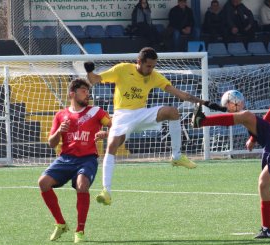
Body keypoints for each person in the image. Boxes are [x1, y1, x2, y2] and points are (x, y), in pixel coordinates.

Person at [84, 47, 223, 206]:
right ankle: (106, 191)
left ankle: (176, 156)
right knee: (112, 146)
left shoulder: (154, 76)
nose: (151, 69)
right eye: (149, 66)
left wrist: (205, 103)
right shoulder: (122, 69)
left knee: (173, 112)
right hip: (122, 115)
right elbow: (95, 79)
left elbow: (179, 94)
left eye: (153, 66)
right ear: (139, 62)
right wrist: (89, 72)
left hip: (142, 113)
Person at [191, 66, 270, 238]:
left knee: (263, 184)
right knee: (247, 115)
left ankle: (267, 230)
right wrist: (253, 137)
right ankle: (201, 121)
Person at [38, 78, 111, 243]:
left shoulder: (96, 112)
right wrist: (59, 132)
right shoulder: (61, 115)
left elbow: (115, 126)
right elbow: (52, 143)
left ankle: (80, 231)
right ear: (73, 93)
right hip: (66, 158)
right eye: (84, 91)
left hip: (87, 159)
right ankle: (61, 224)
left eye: (88, 92)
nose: (88, 95)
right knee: (43, 182)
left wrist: (106, 134)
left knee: (82, 185)